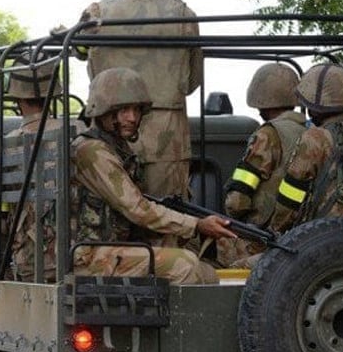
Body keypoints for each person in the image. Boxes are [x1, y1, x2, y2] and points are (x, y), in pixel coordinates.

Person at [71, 67, 235, 284]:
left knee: (201, 266)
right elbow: (137, 209)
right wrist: (196, 224)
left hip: (106, 249)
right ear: (103, 110)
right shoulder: (92, 151)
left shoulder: (115, 149)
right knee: (184, 266)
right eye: (124, 110)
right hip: (89, 256)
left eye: (137, 110)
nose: (132, 117)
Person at [77, 0, 203, 204]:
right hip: (169, 139)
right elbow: (193, 82)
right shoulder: (183, 14)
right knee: (169, 221)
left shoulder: (97, 15)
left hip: (108, 135)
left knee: (113, 224)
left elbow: (79, 53)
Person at [270, 64, 343, 233]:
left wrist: (276, 229)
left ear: (314, 105)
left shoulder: (316, 138)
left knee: (241, 261)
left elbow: (291, 195)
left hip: (322, 235)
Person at [216, 64, 306, 267]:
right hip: (299, 232)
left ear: (260, 100)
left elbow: (237, 200)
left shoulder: (267, 134)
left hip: (262, 236)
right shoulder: (312, 132)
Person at [4, 55, 66, 282]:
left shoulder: (8, 145)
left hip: (31, 260)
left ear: (17, 97)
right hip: (80, 254)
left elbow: (0, 218)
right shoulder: (77, 132)